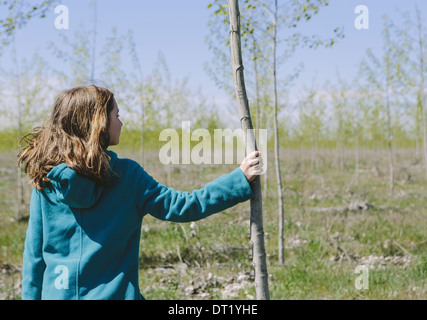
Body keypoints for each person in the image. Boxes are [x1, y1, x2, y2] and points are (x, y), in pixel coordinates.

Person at [18, 85, 263, 300]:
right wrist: (239, 179)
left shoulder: (46, 182)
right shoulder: (125, 175)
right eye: (116, 115)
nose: (121, 123)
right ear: (99, 124)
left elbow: (34, 259)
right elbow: (183, 206)